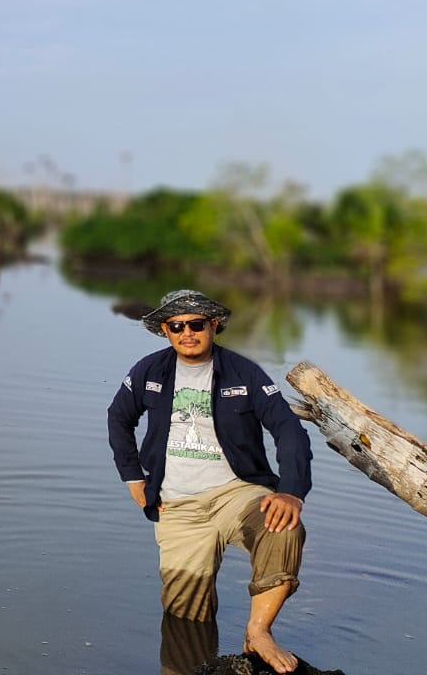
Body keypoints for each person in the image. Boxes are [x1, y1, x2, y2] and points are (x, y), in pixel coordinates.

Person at [107, 289, 312, 675]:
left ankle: (258, 632)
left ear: (214, 326)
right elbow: (119, 418)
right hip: (177, 504)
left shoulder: (244, 373)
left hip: (237, 492)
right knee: (185, 622)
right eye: (176, 326)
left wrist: (291, 491)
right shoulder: (148, 371)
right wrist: (133, 477)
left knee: (282, 525)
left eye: (196, 324)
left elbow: (288, 428)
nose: (187, 332)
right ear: (165, 331)